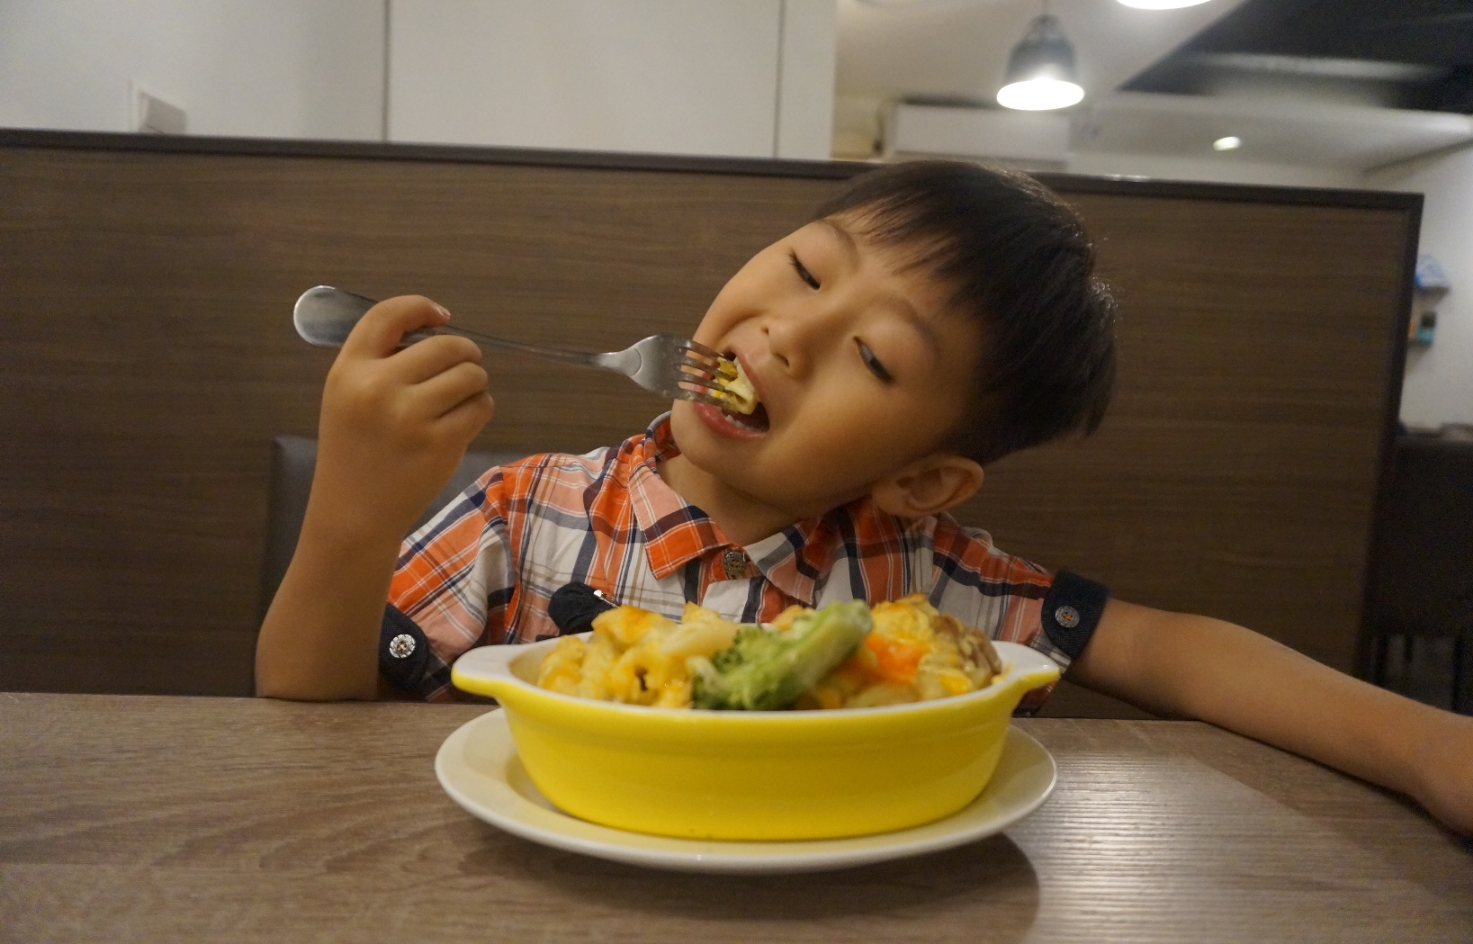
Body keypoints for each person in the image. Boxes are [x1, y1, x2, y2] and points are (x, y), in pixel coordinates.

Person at [255, 160, 1473, 836]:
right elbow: (305, 709)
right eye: (802, 269)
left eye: (875, 359)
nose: (786, 334)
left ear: (922, 479)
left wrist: (1429, 746)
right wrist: (354, 508)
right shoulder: (528, 511)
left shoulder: (921, 589)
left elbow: (1173, 649)